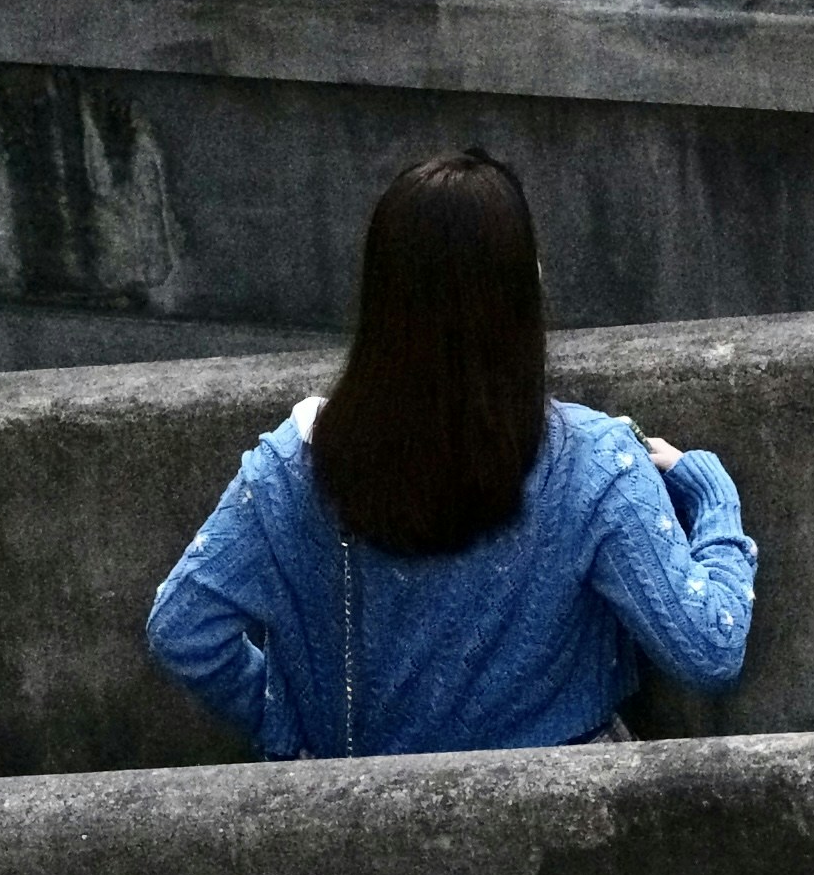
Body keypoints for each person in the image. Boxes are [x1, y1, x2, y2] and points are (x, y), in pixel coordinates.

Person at [147, 149, 753, 758]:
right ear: (526, 290)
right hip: (568, 801)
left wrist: (289, 733)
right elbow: (708, 647)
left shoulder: (292, 466)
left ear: (379, 295)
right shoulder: (597, 463)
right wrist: (710, 494)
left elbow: (183, 629)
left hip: (360, 800)